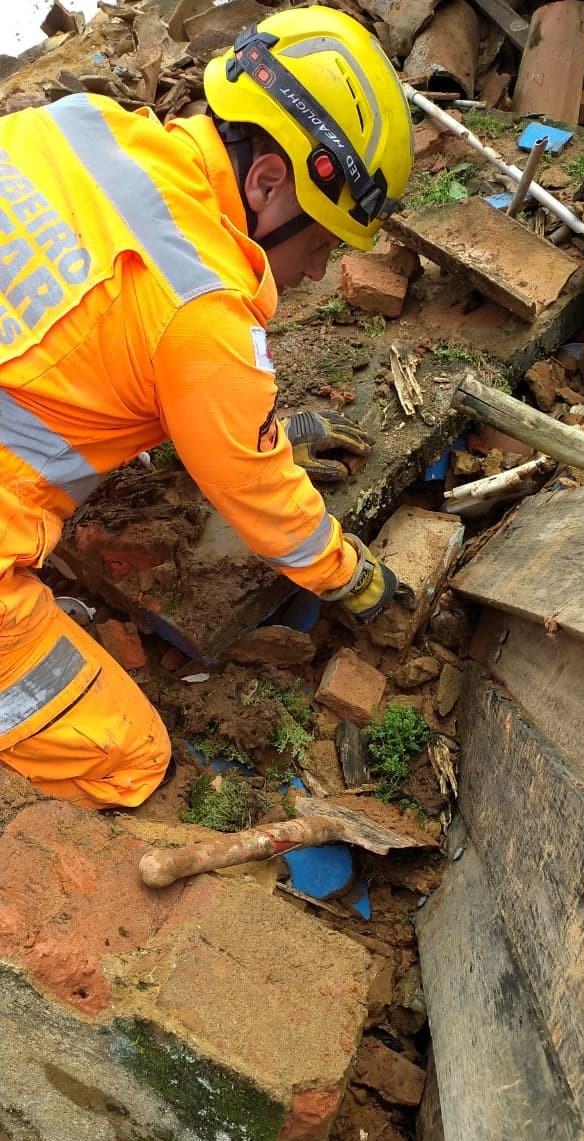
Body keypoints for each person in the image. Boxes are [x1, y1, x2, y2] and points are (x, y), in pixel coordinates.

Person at [0, 5, 414, 809]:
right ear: (268, 183)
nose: (317, 272)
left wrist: (247, 432)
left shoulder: (80, 127)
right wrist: (351, 576)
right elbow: (265, 505)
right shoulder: (202, 312)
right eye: (322, 241)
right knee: (128, 761)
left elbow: (106, 337)